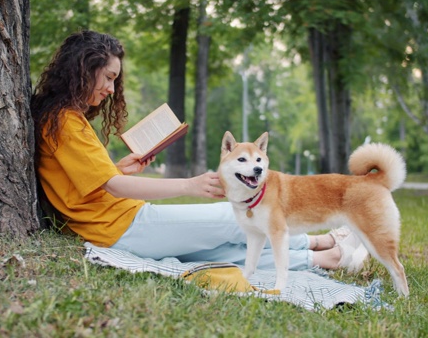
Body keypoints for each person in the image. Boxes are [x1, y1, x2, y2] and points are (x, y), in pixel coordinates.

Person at [30, 30, 368, 273]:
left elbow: (94, 182)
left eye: (115, 80)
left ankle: (323, 256)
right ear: (82, 69)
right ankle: (316, 244)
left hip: (116, 224)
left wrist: (121, 168)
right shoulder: (64, 121)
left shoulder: (62, 118)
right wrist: (189, 185)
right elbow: (112, 188)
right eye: (107, 77)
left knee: (220, 248)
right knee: (240, 214)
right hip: (120, 227)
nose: (111, 89)